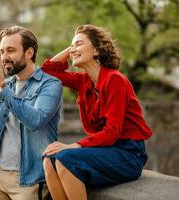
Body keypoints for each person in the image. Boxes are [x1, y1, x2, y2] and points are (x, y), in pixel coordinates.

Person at [41, 24, 153, 200]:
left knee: (65, 159)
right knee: (49, 160)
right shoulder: (83, 81)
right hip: (103, 150)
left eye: (78, 44)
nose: (72, 50)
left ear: (96, 50)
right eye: (71, 46)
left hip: (128, 154)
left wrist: (72, 145)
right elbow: (47, 72)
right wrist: (73, 49)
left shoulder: (115, 80)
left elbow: (112, 132)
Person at [0, 26, 62, 200]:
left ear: (29, 52)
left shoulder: (50, 85)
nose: (4, 57)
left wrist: (1, 88)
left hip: (29, 178)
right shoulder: (6, 85)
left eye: (10, 50)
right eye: (2, 51)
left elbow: (36, 120)